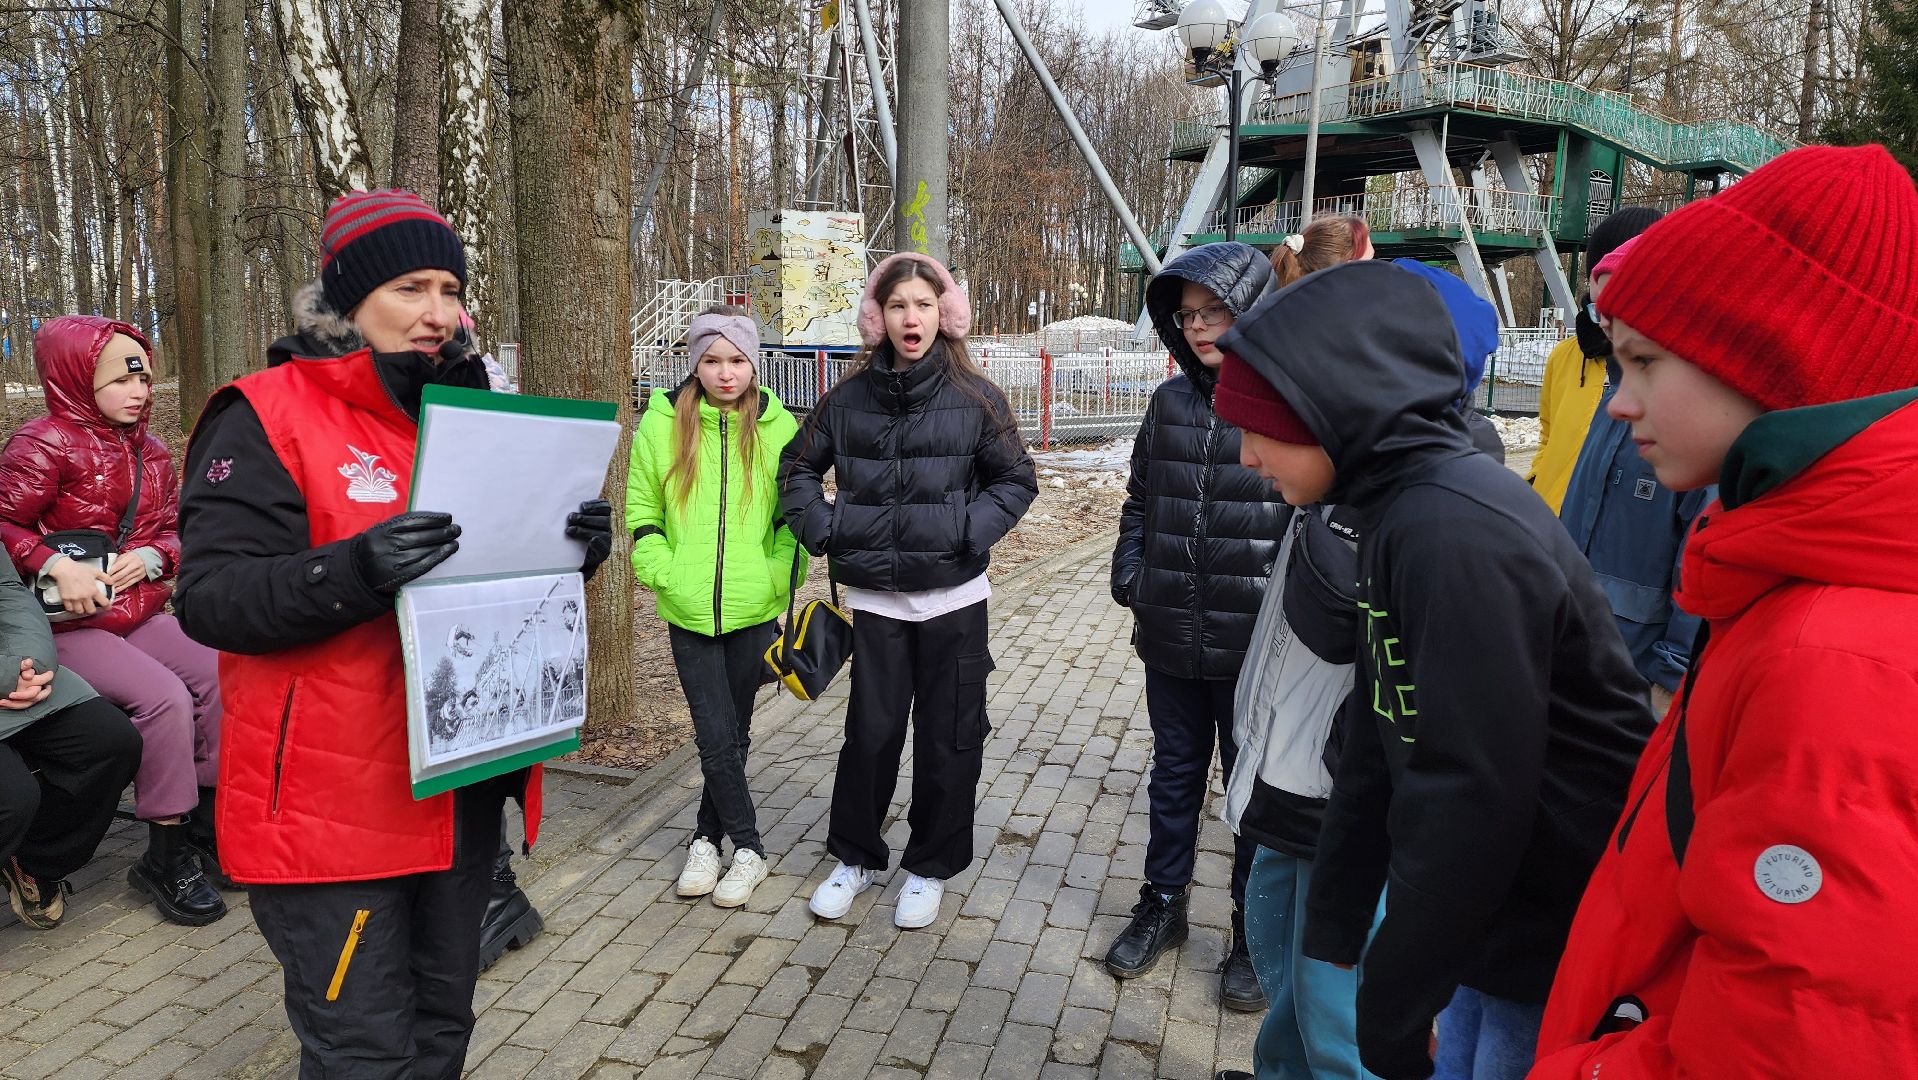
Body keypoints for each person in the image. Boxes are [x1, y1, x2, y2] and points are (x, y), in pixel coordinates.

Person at [175, 188, 613, 1078]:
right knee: (362, 1054)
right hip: (334, 810)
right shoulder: (262, 413)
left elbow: (484, 584)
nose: (439, 314)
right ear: (350, 298)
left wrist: (566, 555)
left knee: (443, 1026)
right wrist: (353, 570)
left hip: (457, 786)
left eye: (450, 290)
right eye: (412, 288)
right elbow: (210, 600)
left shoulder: (468, 412)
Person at [1213, 259, 1654, 1080]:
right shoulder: (1392, 508)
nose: (1246, 456)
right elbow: (1382, 740)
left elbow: (1467, 793)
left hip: (1552, 926)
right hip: (1494, 922)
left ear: (1334, 412)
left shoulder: (1453, 532)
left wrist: (1394, 1004)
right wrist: (1339, 928)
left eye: (1260, 428)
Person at [1533, 143, 1918, 1078]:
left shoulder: (1826, 656)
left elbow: (1793, 1036)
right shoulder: (1796, 583)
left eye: (1645, 362)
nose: (1618, 405)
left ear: (1776, 354)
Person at [782, 251, 1036, 930]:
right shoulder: (847, 399)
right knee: (870, 735)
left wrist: (967, 528)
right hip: (875, 603)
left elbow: (1016, 480)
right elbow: (797, 468)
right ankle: (855, 857)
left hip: (953, 599)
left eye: (924, 304)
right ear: (878, 318)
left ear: (944, 315)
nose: (911, 317)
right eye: (898, 306)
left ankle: (929, 866)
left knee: (951, 739)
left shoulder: (977, 398)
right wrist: (823, 527)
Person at [1104, 240, 1287, 1011]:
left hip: (1254, 647)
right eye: (1189, 315)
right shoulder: (1168, 405)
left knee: (1251, 791)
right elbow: (1140, 501)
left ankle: (1251, 932)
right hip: (1171, 634)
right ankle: (1165, 905)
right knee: (1174, 777)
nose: (1202, 326)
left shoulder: (1286, 402)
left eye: (1216, 311)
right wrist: (1132, 577)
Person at [0, 316, 229, 927]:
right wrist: (50, 562)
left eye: (145, 380)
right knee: (164, 699)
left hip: (138, 610)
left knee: (218, 673)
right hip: (68, 625)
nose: (139, 392)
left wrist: (158, 555)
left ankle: (206, 826)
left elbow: (180, 529)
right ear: (78, 379)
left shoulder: (151, 452)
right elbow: (4, 524)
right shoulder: (40, 444)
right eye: (121, 380)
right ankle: (165, 853)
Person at [628, 304, 800, 910]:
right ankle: (748, 847)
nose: (726, 373)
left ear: (754, 364)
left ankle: (706, 836)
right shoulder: (659, 426)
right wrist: (662, 573)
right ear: (694, 364)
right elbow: (641, 510)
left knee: (736, 731)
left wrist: (778, 573)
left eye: (737, 360)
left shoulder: (780, 430)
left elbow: (791, 520)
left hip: (754, 606)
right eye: (712, 360)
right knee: (712, 733)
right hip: (688, 606)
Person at [1555, 226, 1711, 717]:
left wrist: (1671, 672)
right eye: (1596, 309)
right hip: (1576, 647)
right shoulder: (1616, 396)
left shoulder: (1695, 429)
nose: (1597, 322)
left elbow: (1702, 562)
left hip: (1636, 677)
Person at [0, 556, 142, 930]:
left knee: (111, 742)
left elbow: (8, 590)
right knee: (13, 798)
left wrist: (28, 664)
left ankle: (33, 862)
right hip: (5, 677)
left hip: (15, 672)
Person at [1524, 208, 1663, 512]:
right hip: (1550, 526)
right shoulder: (1564, 357)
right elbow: (1548, 437)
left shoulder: (1675, 372)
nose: (1607, 322)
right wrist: (1536, 487)